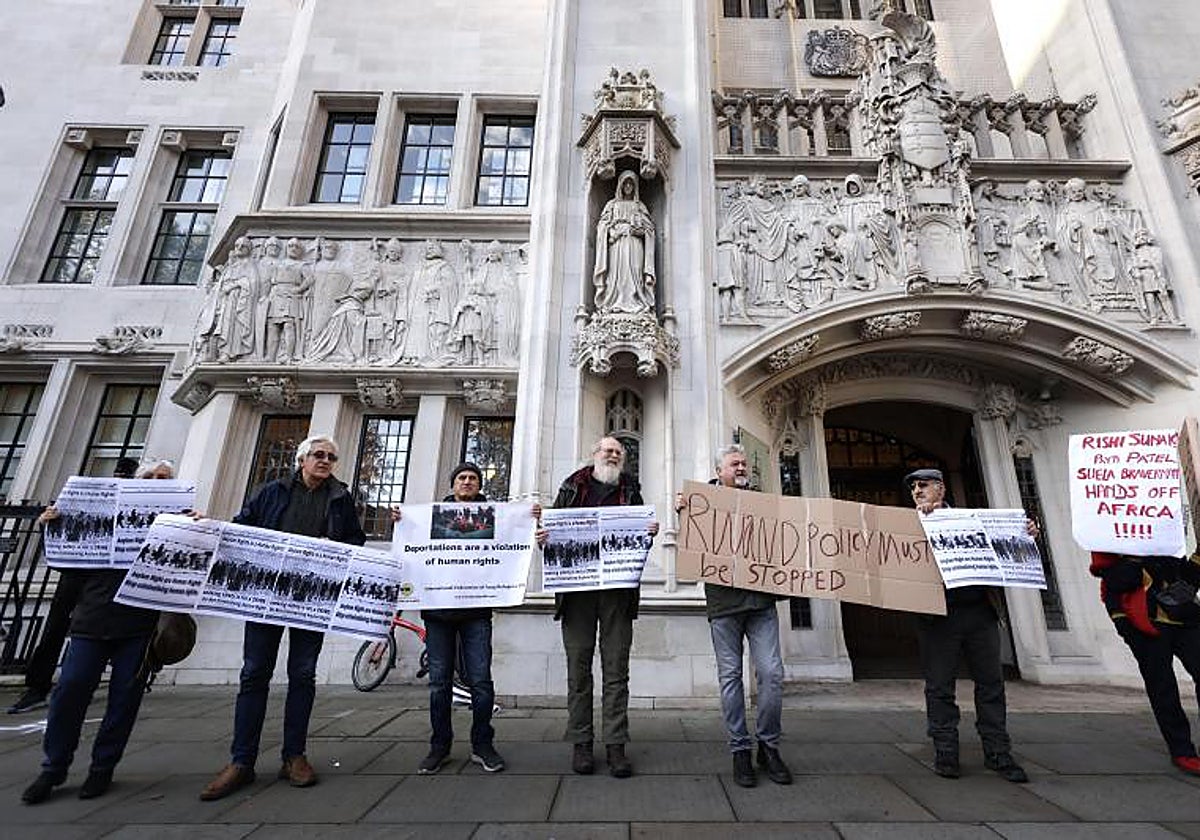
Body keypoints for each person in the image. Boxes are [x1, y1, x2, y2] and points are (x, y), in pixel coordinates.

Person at [200, 434, 366, 801]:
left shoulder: (340, 499)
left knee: (302, 675)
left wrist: (337, 548)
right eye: (318, 455)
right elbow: (240, 528)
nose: (325, 461)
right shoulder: (272, 491)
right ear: (302, 459)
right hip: (265, 597)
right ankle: (241, 762)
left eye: (331, 457)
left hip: (311, 599)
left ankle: (294, 756)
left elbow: (356, 542)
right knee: (254, 672)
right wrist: (206, 527)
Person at [22, 459, 183, 804]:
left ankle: (102, 768)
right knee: (70, 691)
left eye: (164, 479)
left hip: (140, 625)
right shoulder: (104, 515)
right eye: (151, 477)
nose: (156, 482)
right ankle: (54, 767)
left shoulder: (176, 521)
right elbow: (67, 561)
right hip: (92, 619)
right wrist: (50, 527)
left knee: (124, 701)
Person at [393, 463, 538, 776]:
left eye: (473, 478)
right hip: (438, 614)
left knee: (481, 682)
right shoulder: (430, 518)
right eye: (462, 478)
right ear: (453, 484)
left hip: (476, 614)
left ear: (478, 485)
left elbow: (512, 544)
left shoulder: (494, 517)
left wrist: (529, 518)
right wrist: (401, 524)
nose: (468, 482)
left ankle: (482, 744)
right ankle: (439, 747)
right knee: (439, 683)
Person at [542, 436, 659, 778]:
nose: (612, 455)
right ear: (594, 455)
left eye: (618, 453)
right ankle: (581, 743)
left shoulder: (631, 492)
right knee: (578, 669)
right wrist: (543, 538)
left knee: (616, 670)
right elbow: (551, 534)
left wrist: (648, 532)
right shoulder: (570, 489)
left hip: (616, 595)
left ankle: (615, 745)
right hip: (577, 594)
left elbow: (638, 540)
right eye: (607, 450)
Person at [675, 445, 791, 788]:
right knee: (731, 678)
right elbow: (689, 547)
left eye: (744, 464)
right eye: (734, 464)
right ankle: (740, 748)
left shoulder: (762, 502)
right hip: (725, 605)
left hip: (761, 603)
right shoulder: (701, 503)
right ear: (719, 469)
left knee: (771, 674)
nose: (741, 468)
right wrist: (682, 513)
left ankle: (768, 746)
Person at [906, 467, 1029, 783]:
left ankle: (998, 751)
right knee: (939, 686)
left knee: (991, 683)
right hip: (936, 618)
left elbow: (1010, 549)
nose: (917, 491)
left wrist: (1026, 533)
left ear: (941, 489)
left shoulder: (972, 521)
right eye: (913, 488)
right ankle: (945, 750)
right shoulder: (908, 528)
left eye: (923, 485)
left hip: (978, 613)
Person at [9, 456, 141, 716]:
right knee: (56, 629)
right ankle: (38, 687)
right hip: (78, 574)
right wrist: (48, 524)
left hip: (110, 579)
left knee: (100, 635)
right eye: (118, 476)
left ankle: (83, 682)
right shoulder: (89, 500)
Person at [1089, 550, 1200, 775]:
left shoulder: (1169, 536)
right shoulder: (1113, 541)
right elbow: (1117, 581)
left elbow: (1188, 577)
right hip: (1140, 619)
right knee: (1163, 686)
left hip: (1184, 614)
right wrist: (1137, 556)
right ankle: (1182, 750)